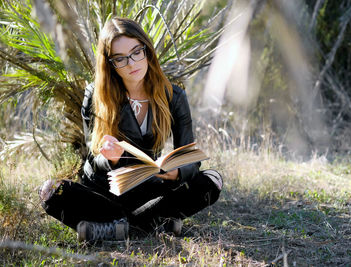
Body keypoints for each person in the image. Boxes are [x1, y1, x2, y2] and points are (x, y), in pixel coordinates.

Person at [39, 17, 223, 243]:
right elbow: (92, 156)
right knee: (51, 191)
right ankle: (148, 224)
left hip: (148, 188)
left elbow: (191, 158)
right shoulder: (95, 95)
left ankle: (116, 228)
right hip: (103, 191)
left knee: (212, 181)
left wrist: (177, 171)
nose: (132, 63)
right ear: (110, 63)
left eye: (137, 52)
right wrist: (110, 160)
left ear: (147, 50)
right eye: (120, 58)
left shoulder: (174, 96)